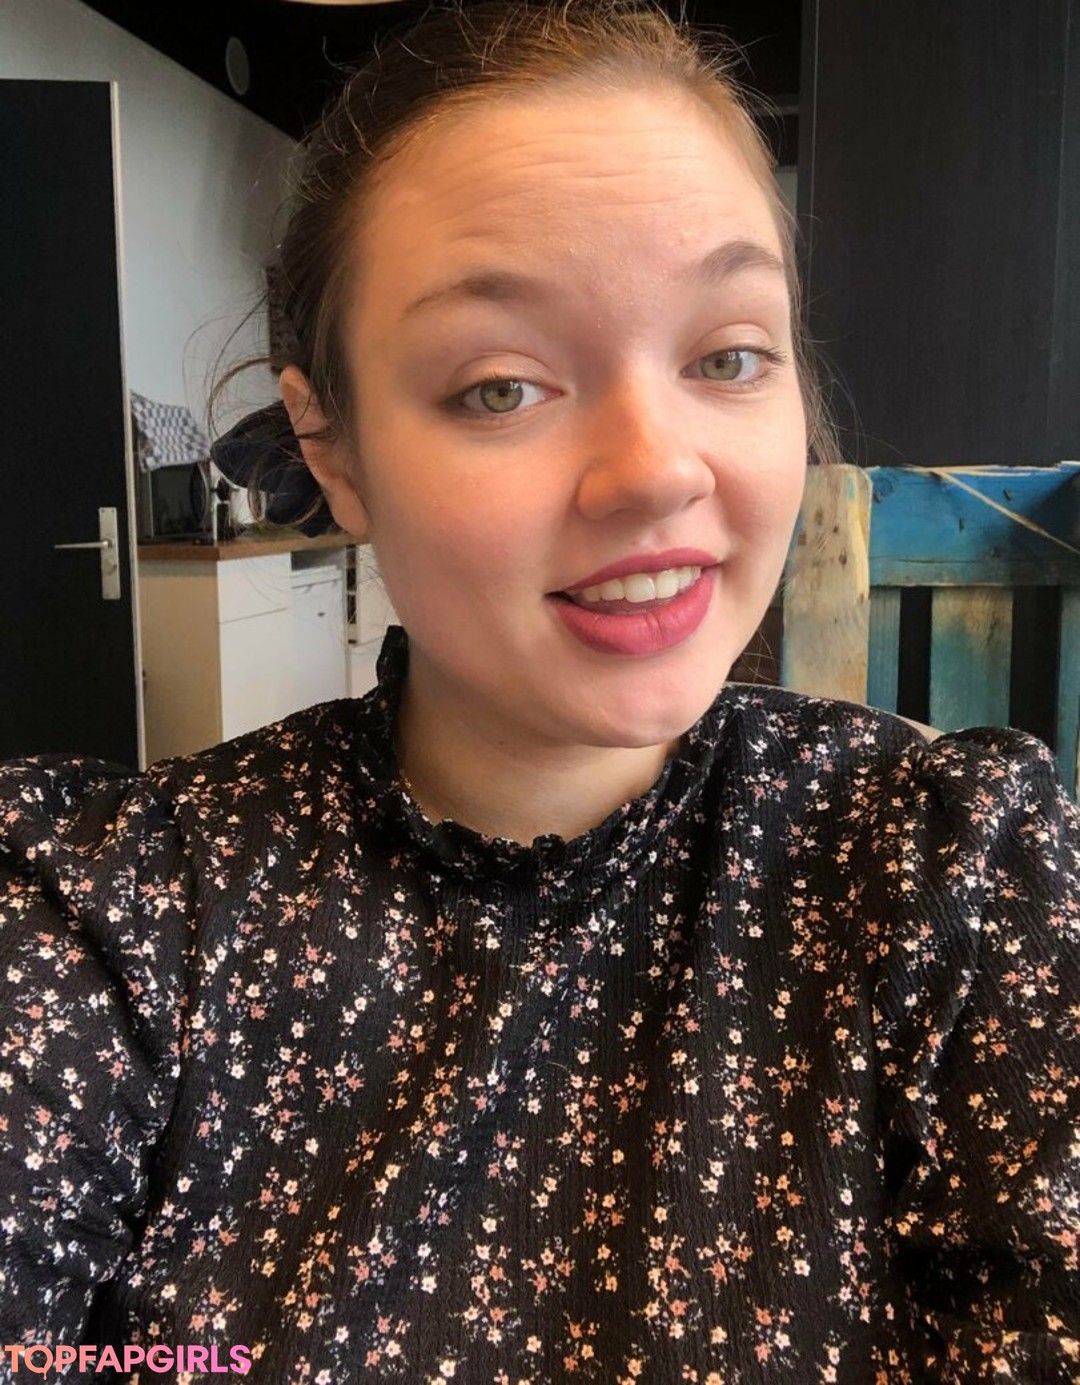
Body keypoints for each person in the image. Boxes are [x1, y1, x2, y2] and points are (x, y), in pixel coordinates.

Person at [1, 3, 1077, 1380]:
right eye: (503, 386)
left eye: (728, 356)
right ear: (330, 448)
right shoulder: (117, 917)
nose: (656, 469)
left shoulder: (951, 869)